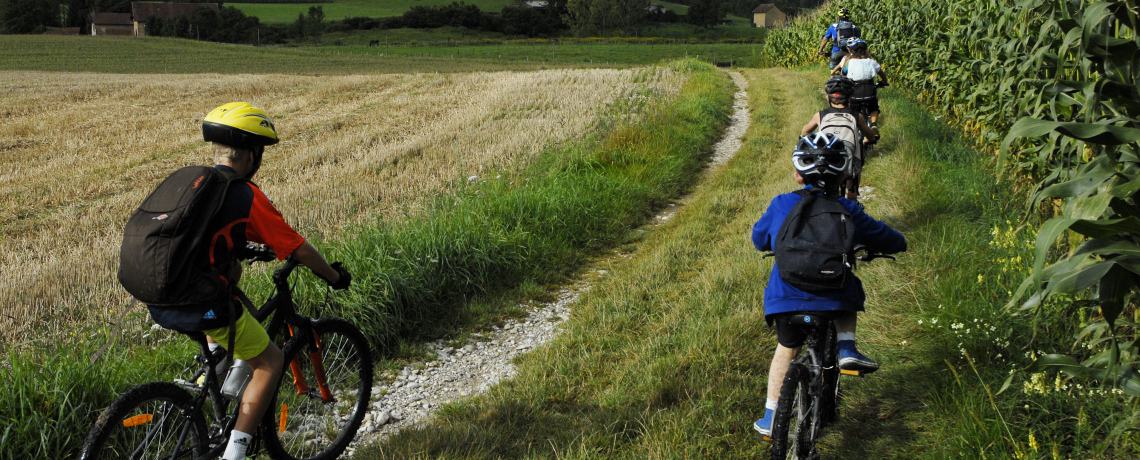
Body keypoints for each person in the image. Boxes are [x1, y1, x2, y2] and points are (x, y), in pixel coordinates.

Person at [152, 102, 352, 460]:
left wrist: (239, 248)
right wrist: (335, 276)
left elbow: (202, 237)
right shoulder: (244, 194)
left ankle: (204, 401)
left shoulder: (196, 181)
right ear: (251, 154)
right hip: (201, 302)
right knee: (271, 361)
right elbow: (298, 249)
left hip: (160, 293)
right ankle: (235, 454)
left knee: (228, 327)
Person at [750, 133, 907, 437]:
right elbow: (883, 236)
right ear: (845, 173)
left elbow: (759, 239)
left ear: (798, 175)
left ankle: (771, 415)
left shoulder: (782, 203)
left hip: (787, 298)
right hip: (833, 298)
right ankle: (847, 347)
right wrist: (900, 243)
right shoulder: (848, 209)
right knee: (850, 289)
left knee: (786, 349)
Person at [801, 76, 878, 200]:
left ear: (828, 97)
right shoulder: (856, 116)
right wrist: (870, 138)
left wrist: (803, 137)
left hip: (827, 157)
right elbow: (869, 134)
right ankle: (852, 193)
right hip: (847, 156)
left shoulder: (820, 115)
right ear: (849, 98)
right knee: (855, 162)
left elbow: (805, 130)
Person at [833, 38, 890, 127]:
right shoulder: (871, 62)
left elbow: (844, 73)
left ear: (852, 51)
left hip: (855, 93)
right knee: (873, 108)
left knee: (853, 109)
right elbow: (882, 74)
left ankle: (854, 125)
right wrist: (884, 82)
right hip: (870, 91)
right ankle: (874, 124)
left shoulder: (850, 62)